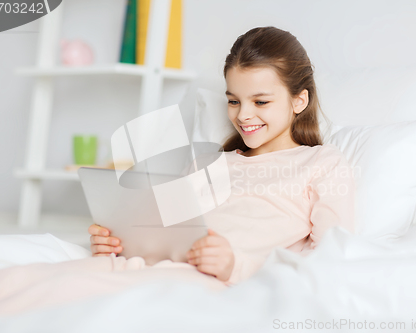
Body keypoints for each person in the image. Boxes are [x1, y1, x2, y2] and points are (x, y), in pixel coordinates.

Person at [89, 26, 355, 286]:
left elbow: (329, 262)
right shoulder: (207, 164)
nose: (242, 115)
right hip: (151, 273)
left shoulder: (321, 163)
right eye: (234, 101)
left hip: (214, 286)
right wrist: (117, 244)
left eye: (260, 102)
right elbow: (159, 234)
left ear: (299, 101)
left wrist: (234, 267)